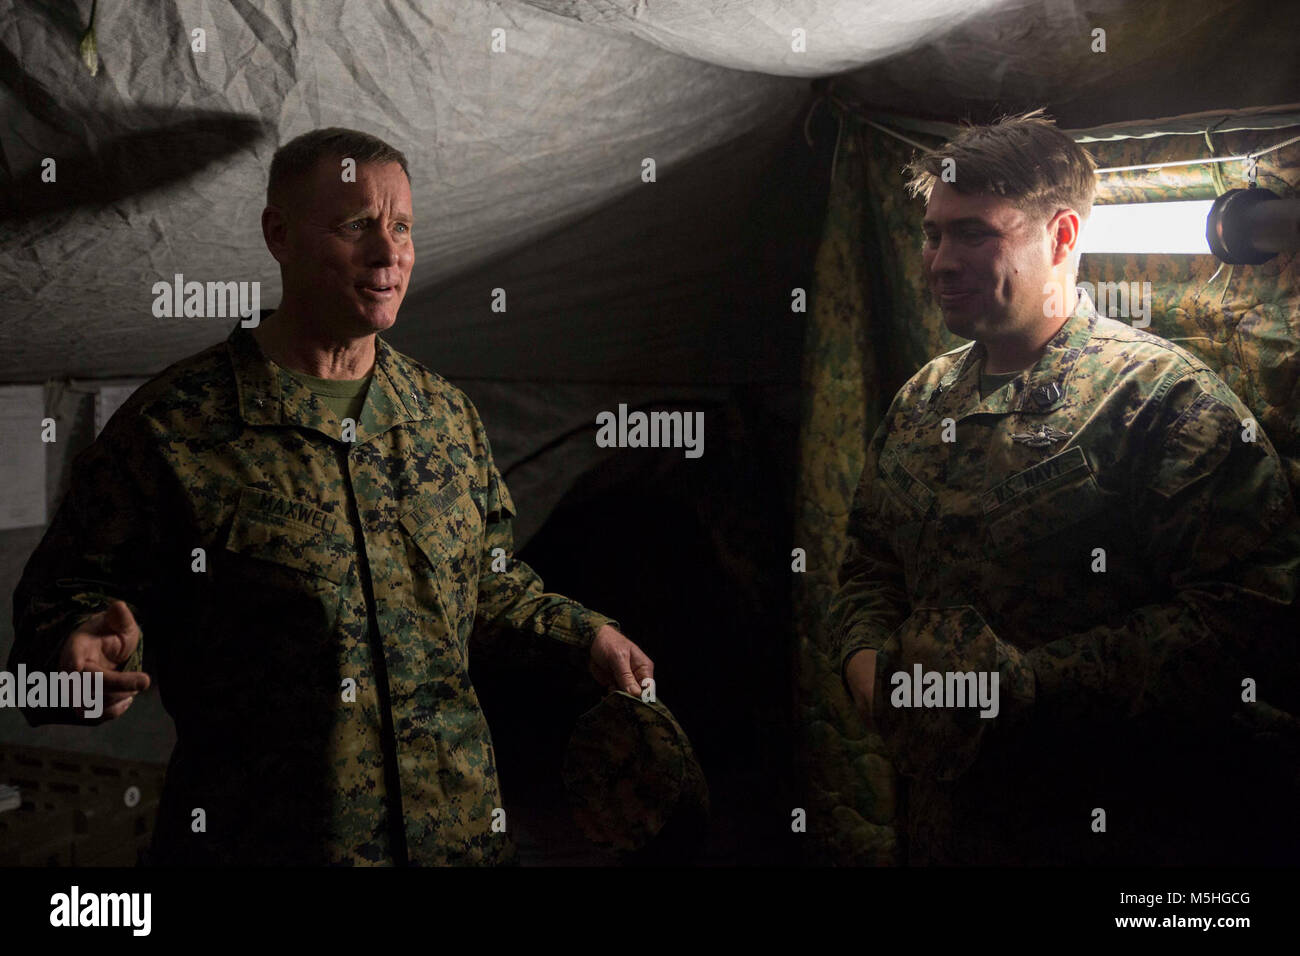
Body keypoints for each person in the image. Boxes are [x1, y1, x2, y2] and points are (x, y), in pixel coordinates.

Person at [10, 127, 654, 866]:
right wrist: (74, 653)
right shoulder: (175, 427)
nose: (389, 254)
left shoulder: (442, 417)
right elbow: (60, 601)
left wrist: (586, 635)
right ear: (278, 235)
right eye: (356, 226)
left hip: (457, 841)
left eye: (403, 227)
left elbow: (490, 587)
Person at [826, 109, 1300, 865]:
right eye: (933, 234)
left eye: (976, 233)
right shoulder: (923, 400)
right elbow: (869, 564)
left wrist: (1028, 689)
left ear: (1064, 236)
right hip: (941, 830)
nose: (941, 262)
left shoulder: (1163, 402)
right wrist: (866, 666)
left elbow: (1252, 619)